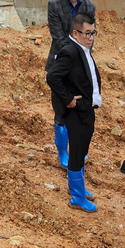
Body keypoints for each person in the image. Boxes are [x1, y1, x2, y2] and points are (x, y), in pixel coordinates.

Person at [46, 13, 101, 213]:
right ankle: (77, 197)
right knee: (77, 153)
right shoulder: (69, 51)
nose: (91, 38)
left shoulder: (82, 49)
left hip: (87, 110)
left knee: (82, 151)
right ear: (75, 33)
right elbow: (53, 77)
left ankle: (80, 188)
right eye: (87, 34)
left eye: (93, 33)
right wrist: (68, 99)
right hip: (76, 112)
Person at [46, 0, 96, 169]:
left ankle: (78, 148)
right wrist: (75, 55)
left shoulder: (89, 6)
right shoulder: (54, 4)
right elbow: (58, 37)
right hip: (61, 61)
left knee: (81, 108)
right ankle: (62, 152)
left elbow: (90, 36)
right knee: (61, 111)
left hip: (82, 68)